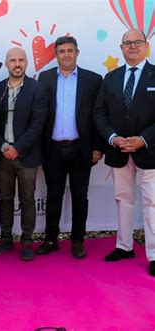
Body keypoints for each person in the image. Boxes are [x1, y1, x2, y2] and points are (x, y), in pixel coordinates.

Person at [94, 29, 155, 277]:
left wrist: (142, 140)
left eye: (137, 42)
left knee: (152, 204)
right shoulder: (111, 78)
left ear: (146, 46)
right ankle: (124, 245)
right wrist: (113, 138)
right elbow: (99, 113)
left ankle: (153, 254)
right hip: (119, 151)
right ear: (121, 48)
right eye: (127, 43)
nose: (132, 47)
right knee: (123, 199)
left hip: (150, 151)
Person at [36, 36, 103, 258]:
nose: (66, 55)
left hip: (81, 149)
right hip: (53, 149)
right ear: (56, 55)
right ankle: (50, 239)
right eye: (61, 51)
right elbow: (40, 117)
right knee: (53, 196)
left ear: (77, 53)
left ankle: (77, 241)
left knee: (79, 196)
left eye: (70, 51)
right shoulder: (44, 79)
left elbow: (98, 116)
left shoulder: (93, 80)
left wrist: (98, 146)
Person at [0, 47, 47, 261]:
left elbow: (37, 124)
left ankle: (27, 241)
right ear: (6, 63)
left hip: (27, 155)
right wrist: (4, 146)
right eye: (13, 60)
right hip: (3, 154)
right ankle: (5, 239)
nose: (17, 64)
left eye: (21, 60)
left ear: (27, 63)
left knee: (27, 199)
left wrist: (18, 148)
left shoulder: (37, 89)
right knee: (5, 198)